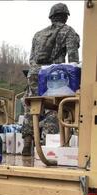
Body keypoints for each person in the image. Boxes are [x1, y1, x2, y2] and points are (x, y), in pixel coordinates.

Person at [21, 2, 80, 156]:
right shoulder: (68, 32)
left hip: (34, 74)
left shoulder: (38, 34)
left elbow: (32, 59)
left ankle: (27, 142)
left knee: (31, 108)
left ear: (51, 17)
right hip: (53, 74)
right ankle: (48, 144)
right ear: (66, 16)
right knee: (54, 108)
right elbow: (73, 60)